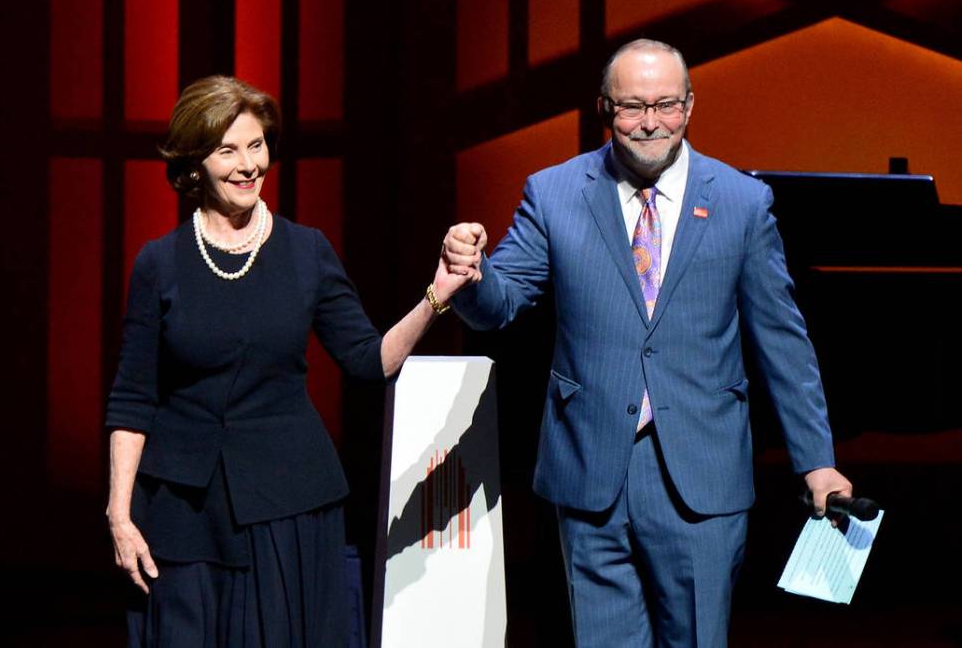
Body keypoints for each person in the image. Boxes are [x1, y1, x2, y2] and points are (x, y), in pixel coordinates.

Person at [441, 39, 853, 647]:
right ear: (605, 108)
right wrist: (470, 276)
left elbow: (783, 343)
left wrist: (816, 460)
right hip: (590, 469)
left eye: (665, 105)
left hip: (702, 473)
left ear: (690, 105)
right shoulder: (553, 193)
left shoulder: (742, 202)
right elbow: (499, 305)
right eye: (633, 106)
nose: (650, 122)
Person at [105, 75, 469, 646]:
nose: (249, 164)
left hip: (289, 506)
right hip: (182, 510)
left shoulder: (306, 250)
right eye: (228, 150)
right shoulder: (160, 263)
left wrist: (436, 296)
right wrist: (120, 515)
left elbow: (368, 360)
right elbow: (133, 399)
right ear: (195, 163)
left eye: (257, 146)